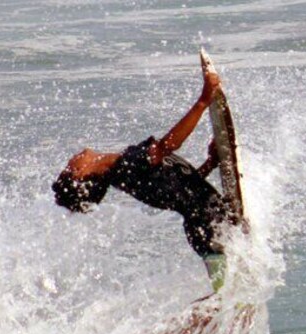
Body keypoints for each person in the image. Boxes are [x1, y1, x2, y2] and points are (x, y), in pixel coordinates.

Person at [51, 67, 239, 292]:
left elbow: (183, 188)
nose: (71, 160)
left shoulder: (124, 173)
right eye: (68, 169)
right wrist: (203, 100)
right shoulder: (127, 165)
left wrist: (211, 162)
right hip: (210, 230)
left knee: (227, 299)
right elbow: (168, 145)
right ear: (82, 174)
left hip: (207, 230)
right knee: (226, 301)